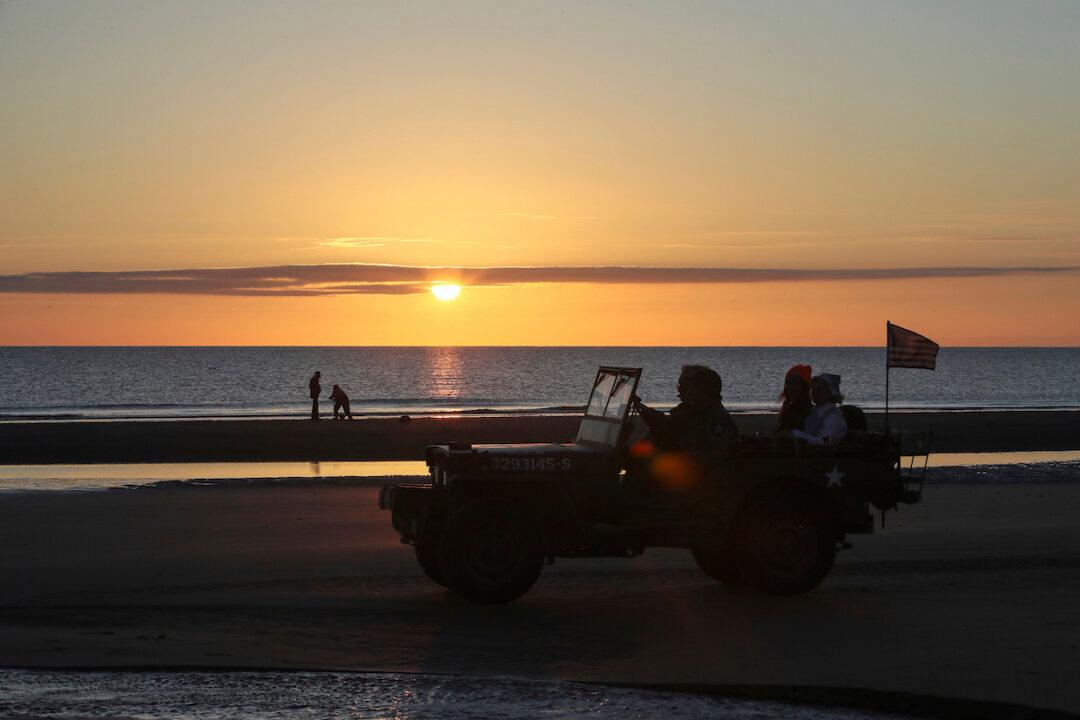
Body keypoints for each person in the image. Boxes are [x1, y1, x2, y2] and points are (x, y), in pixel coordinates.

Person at [635, 364, 738, 461]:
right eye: (680, 385)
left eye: (686, 385)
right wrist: (644, 411)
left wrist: (679, 457)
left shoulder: (716, 418)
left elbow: (714, 454)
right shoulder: (689, 410)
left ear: (703, 389)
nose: (680, 389)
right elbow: (669, 425)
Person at [792, 373, 848, 445]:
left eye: (818, 390)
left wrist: (795, 433)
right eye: (813, 389)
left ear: (830, 393)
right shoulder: (814, 411)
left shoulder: (834, 416)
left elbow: (824, 441)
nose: (813, 392)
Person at [775, 364, 812, 433]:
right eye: (788, 383)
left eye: (796, 383)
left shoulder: (808, 411)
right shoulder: (787, 406)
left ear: (805, 388)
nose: (791, 387)